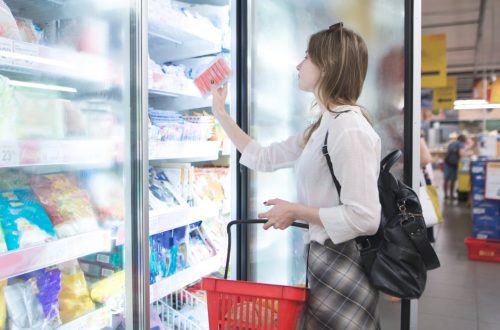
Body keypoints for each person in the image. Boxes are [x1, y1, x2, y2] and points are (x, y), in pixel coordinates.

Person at [211, 23, 381, 330]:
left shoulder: (349, 128)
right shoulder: (325, 125)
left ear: (328, 66)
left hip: (343, 263)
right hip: (323, 259)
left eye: (307, 57)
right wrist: (221, 113)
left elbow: (365, 217)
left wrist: (295, 210)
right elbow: (264, 158)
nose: (299, 65)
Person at [443, 134, 467, 200]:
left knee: (446, 179)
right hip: (454, 165)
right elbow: (461, 154)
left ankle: (446, 195)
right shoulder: (461, 144)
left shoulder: (452, 144)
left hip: (447, 163)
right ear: (463, 140)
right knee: (453, 180)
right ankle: (451, 195)